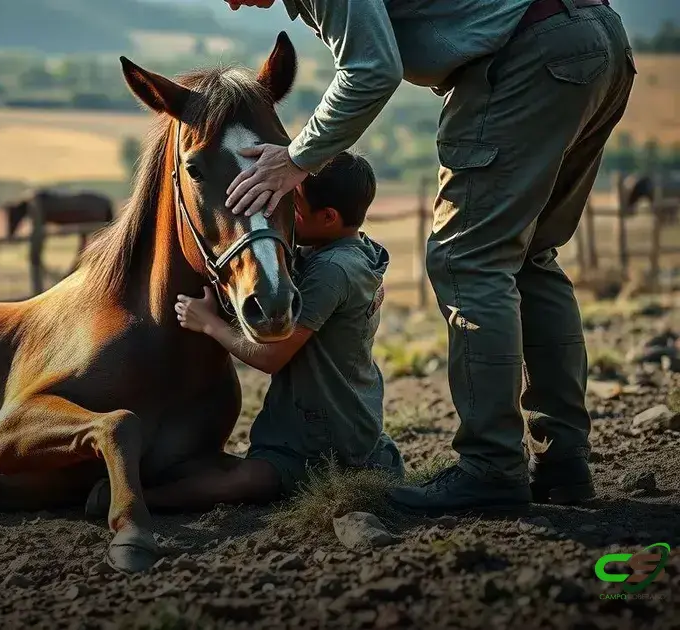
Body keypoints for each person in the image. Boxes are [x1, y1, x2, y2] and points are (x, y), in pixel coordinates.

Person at [219, 0, 636, 511]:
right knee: (529, 257)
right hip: (592, 40)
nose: (233, 3)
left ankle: (491, 469)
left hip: (530, 55)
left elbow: (372, 70)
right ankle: (563, 462)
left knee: (469, 259)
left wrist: (299, 158)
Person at [93, 152, 404, 512]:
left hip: (323, 433)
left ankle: (133, 501)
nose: (281, 207)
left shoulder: (332, 272)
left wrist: (208, 322)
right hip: (350, 413)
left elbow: (271, 357)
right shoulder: (355, 252)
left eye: (293, 203)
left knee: (246, 482)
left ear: (329, 218)